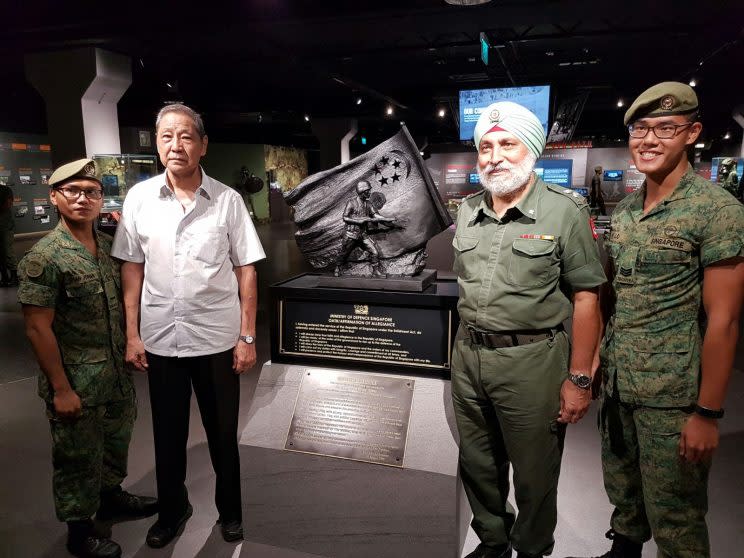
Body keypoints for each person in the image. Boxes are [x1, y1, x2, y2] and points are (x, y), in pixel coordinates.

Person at [572, 82, 744, 558]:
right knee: (624, 500)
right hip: (621, 388)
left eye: (665, 129)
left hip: (673, 397)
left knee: (677, 517)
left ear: (692, 133)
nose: (648, 140)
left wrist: (708, 414)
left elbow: (725, 320)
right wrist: (596, 371)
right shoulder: (625, 212)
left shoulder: (718, 211)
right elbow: (615, 300)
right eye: (639, 129)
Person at [452, 101, 606, 558]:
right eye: (486, 147)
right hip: (468, 357)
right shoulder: (467, 210)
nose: (494, 155)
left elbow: (586, 298)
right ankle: (494, 541)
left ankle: (533, 548)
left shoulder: (563, 212)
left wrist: (580, 378)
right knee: (477, 464)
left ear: (531, 150)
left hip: (532, 362)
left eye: (507, 143)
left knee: (536, 473)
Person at [112, 103, 265, 548]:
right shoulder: (139, 199)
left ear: (202, 145)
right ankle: (173, 511)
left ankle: (230, 512)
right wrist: (132, 333)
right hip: (161, 338)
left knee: (222, 436)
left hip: (217, 339)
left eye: (184, 136)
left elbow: (246, 272)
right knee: (167, 434)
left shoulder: (228, 201)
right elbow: (131, 269)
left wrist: (247, 336)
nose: (175, 145)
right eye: (166, 137)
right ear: (157, 144)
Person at [17, 158, 157, 558]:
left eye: (91, 192)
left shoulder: (108, 248)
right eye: (72, 191)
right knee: (76, 457)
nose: (82, 199)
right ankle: (79, 531)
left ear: (101, 199)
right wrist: (61, 389)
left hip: (113, 375)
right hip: (76, 381)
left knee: (115, 443)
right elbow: (37, 329)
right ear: (55, 197)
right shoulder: (46, 258)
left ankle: (110, 497)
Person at [334, 179, 395, 277]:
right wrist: (358, 220)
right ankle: (337, 267)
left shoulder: (368, 204)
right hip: (351, 234)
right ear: (362, 192)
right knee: (344, 253)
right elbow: (345, 217)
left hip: (363, 235)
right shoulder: (351, 202)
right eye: (368, 191)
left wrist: (387, 219)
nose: (370, 193)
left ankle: (375, 271)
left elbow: (375, 215)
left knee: (374, 252)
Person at [0, 180, 18, 287]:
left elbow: (8, 204)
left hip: (5, 226)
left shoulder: (5, 190)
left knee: (7, 251)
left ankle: (14, 277)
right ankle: (4, 277)